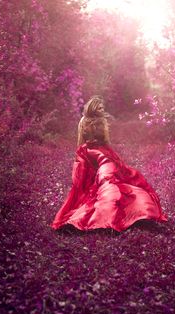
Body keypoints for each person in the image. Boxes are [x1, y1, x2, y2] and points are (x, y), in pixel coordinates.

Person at [50, 95, 168, 233]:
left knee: (113, 185)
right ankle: (107, 218)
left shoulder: (87, 130)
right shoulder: (91, 129)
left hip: (103, 159)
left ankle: (116, 216)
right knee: (111, 184)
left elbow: (80, 173)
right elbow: (95, 146)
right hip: (102, 159)